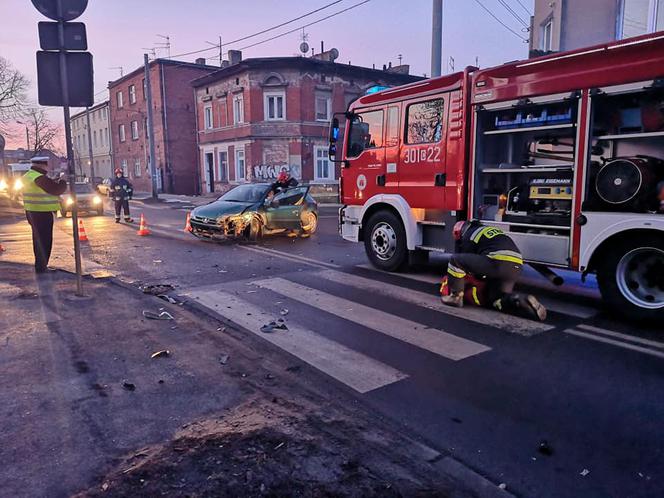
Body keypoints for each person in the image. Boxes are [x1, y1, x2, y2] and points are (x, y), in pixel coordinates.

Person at [442, 220, 547, 321]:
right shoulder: (488, 230)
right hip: (516, 266)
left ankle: (455, 297)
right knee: (497, 300)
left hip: (497, 262)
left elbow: (467, 264)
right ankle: (521, 299)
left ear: (460, 232)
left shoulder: (469, 235)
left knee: (455, 260)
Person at [21, 156, 67, 273]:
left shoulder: (28, 176)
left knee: (38, 240)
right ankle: (42, 267)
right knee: (45, 241)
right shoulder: (39, 178)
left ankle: (40, 266)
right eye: (46, 165)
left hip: (32, 212)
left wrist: (52, 181)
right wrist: (63, 180)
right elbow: (56, 190)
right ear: (42, 165)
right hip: (41, 213)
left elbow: (45, 187)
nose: (47, 167)